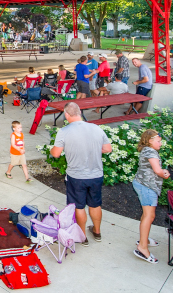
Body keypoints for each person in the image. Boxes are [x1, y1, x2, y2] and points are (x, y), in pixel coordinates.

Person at [49, 103, 112, 245]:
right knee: (95, 204)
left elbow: (57, 153)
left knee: (79, 206)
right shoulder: (96, 128)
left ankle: (82, 236)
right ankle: (97, 232)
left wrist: (52, 150)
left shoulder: (64, 131)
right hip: (96, 175)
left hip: (76, 177)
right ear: (80, 112)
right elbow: (108, 149)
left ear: (66, 115)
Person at [132, 129, 171, 264]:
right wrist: (165, 173)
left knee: (147, 215)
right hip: (147, 187)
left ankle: (144, 239)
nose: (161, 143)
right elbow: (158, 171)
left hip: (145, 185)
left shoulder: (147, 150)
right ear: (150, 141)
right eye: (158, 141)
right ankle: (142, 247)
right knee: (149, 216)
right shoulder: (150, 151)